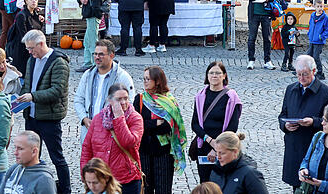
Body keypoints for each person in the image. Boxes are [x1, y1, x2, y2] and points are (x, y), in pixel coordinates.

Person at [17, 30, 71, 194]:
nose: (29, 52)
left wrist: (32, 96)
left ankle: (65, 189)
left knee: (57, 157)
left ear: (41, 44)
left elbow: (56, 91)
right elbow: (27, 85)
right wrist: (18, 100)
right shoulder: (31, 60)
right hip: (32, 116)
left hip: (49, 118)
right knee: (32, 157)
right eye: (28, 49)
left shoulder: (59, 63)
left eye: (32, 48)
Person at [279, 55, 328, 191]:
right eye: (298, 74)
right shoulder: (291, 89)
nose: (301, 78)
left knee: (311, 187)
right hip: (293, 145)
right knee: (296, 187)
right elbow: (282, 115)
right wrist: (285, 125)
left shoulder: (326, 93)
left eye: (305, 74)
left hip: (312, 146)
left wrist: (313, 122)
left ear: (314, 71)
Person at [80, 83, 144, 194]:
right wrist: (85, 174)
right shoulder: (98, 119)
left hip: (127, 180)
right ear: (110, 100)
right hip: (102, 179)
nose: (123, 102)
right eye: (119, 99)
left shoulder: (135, 118)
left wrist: (119, 118)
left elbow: (128, 143)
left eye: (126, 98)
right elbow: (87, 148)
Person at [134, 66, 187, 194]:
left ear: (157, 81)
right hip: (144, 150)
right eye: (144, 78)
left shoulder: (169, 101)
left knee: (163, 189)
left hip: (163, 152)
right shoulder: (140, 99)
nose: (145, 81)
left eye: (148, 79)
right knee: (145, 188)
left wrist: (148, 125)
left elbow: (169, 127)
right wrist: (155, 123)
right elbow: (136, 124)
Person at [74, 39, 135, 142]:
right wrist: (84, 118)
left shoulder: (122, 77)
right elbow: (78, 99)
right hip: (89, 132)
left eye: (101, 54)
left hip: (111, 134)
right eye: (95, 54)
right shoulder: (87, 75)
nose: (97, 57)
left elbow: (130, 105)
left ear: (111, 55)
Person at [191, 61, 242, 183]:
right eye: (211, 73)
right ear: (207, 76)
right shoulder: (200, 96)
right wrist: (209, 140)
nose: (214, 75)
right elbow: (195, 124)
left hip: (224, 147)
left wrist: (217, 148)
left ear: (224, 75)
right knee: (205, 182)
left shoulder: (231, 97)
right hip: (203, 145)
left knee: (222, 183)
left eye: (218, 73)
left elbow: (232, 126)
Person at [242, 0, 279, 70]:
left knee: (267, 38)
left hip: (266, 14)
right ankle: (251, 60)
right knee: (251, 38)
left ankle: (267, 61)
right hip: (254, 14)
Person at [5, 0, 44, 76]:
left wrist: (40, 22)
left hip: (32, 50)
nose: (34, 1)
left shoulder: (35, 14)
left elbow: (37, 31)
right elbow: (24, 36)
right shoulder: (21, 16)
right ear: (26, 1)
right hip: (22, 50)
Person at [77, 0, 104, 72]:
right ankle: (88, 63)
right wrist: (81, 0)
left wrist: (93, 9)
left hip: (92, 15)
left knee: (91, 41)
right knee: (88, 40)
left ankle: (94, 64)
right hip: (91, 15)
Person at [307, 0, 328, 80]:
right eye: (318, 6)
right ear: (314, 7)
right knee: (308, 55)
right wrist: (309, 34)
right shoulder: (312, 16)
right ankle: (306, 70)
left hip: (319, 41)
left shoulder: (325, 17)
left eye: (321, 6)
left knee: (316, 56)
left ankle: (320, 72)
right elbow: (310, 25)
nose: (320, 8)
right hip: (312, 40)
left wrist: (322, 36)